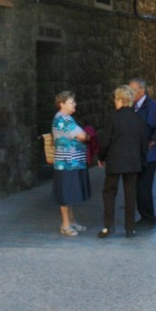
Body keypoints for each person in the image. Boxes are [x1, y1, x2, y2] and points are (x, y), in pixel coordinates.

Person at [97, 85, 148, 239]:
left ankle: (108, 226)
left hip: (115, 160)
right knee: (130, 194)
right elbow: (143, 143)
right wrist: (142, 160)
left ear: (120, 100)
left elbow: (106, 141)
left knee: (109, 192)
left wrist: (101, 157)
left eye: (115, 99)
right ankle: (130, 228)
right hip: (133, 161)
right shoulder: (138, 119)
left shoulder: (113, 118)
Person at [128, 77, 156, 227]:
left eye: (132, 90)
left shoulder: (150, 106)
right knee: (140, 187)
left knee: (143, 188)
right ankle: (146, 216)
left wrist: (153, 139)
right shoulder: (134, 106)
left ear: (141, 90)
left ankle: (148, 218)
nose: (129, 93)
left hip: (150, 156)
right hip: (139, 154)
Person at [51, 90, 91, 237]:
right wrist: (86, 135)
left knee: (70, 192)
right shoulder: (63, 119)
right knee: (65, 192)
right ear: (62, 104)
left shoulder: (67, 118)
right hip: (66, 162)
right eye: (71, 102)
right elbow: (81, 136)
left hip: (71, 162)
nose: (75, 104)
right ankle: (65, 224)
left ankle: (72, 221)